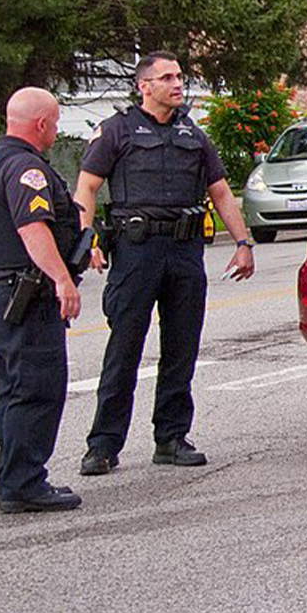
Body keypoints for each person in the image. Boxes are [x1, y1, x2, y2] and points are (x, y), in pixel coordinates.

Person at [73, 52, 255, 477]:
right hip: (137, 251)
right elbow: (88, 186)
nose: (178, 83)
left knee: (182, 348)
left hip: (184, 251)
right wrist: (88, 241)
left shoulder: (193, 133)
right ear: (145, 86)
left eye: (180, 76)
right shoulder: (117, 130)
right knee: (124, 349)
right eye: (168, 77)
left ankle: (171, 438)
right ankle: (102, 445)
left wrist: (244, 242)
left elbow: (222, 192)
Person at [0, 89, 85, 512]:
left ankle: (13, 475)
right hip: (28, 296)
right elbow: (32, 227)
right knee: (36, 387)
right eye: (54, 123)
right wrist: (62, 279)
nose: (55, 131)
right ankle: (23, 483)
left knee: (14, 387)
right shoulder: (25, 167)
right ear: (40, 124)